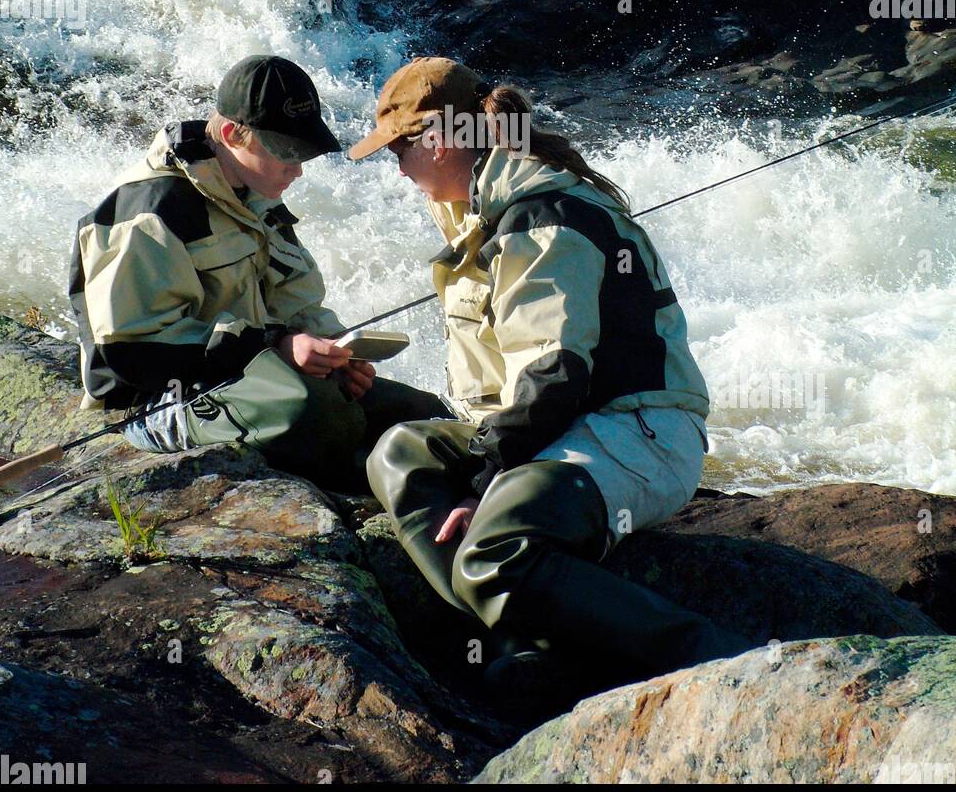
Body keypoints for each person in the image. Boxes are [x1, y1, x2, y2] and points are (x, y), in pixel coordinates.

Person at [349, 56, 749, 704]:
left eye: (399, 148)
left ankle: (717, 660)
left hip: (636, 428)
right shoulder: (481, 211)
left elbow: (553, 373)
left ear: (440, 140)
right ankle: (525, 642)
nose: (395, 166)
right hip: (560, 430)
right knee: (398, 454)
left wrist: (487, 480)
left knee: (494, 548)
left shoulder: (542, 213)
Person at [68, 54, 442, 489]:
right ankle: (381, 485)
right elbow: (132, 354)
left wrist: (334, 353)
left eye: (303, 152)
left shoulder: (255, 193)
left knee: (423, 414)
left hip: (253, 370)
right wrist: (272, 345)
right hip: (160, 399)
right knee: (312, 412)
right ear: (231, 135)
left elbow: (297, 302)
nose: (297, 170)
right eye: (285, 153)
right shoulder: (150, 212)